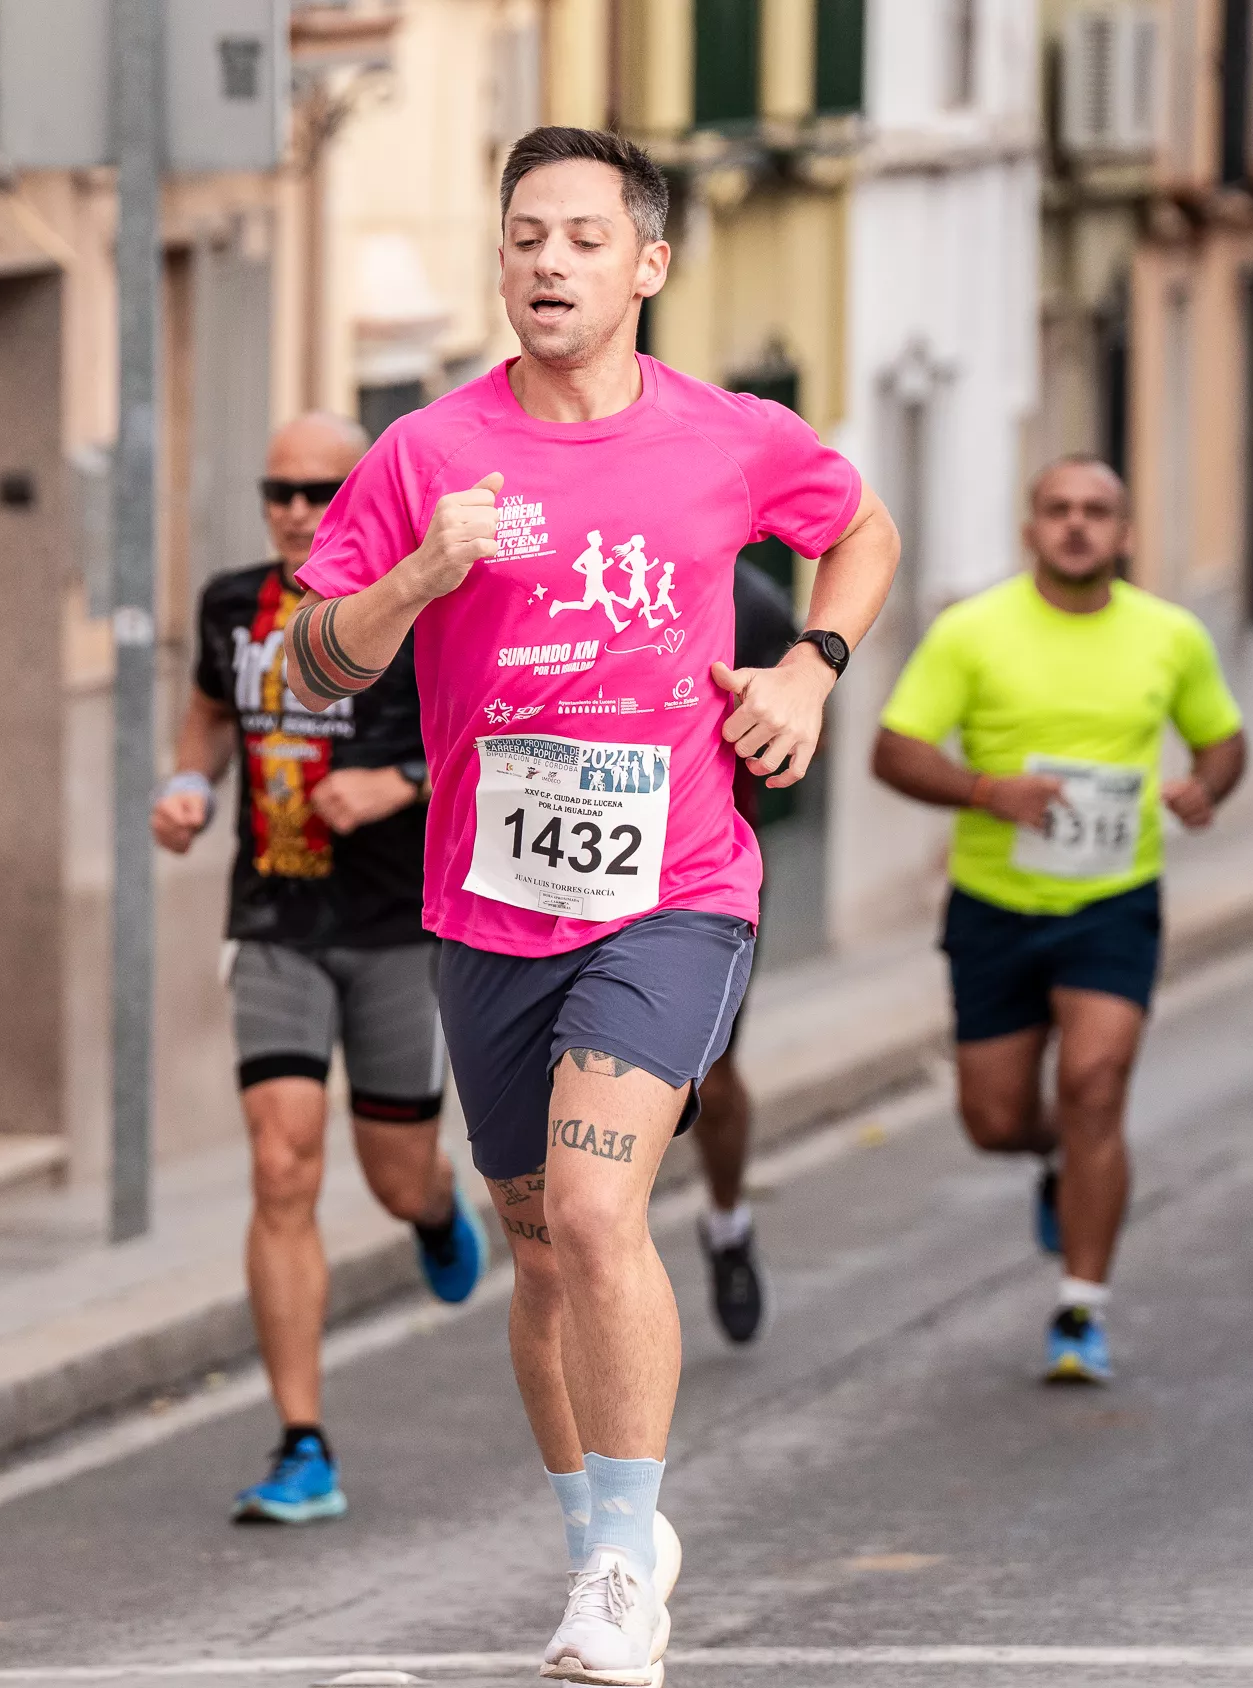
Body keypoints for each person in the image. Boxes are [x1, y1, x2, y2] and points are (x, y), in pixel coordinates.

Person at [280, 126, 900, 1687]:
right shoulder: (423, 455)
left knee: (605, 1202)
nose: (546, 263)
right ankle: (597, 1537)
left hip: (676, 889)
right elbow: (306, 668)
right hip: (487, 907)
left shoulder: (732, 436)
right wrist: (419, 577)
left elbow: (861, 531)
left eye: (578, 237)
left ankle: (625, 1566)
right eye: (522, 237)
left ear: (647, 266)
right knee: (541, 1242)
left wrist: (811, 672)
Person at [152, 411, 486, 1527]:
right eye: (277, 490)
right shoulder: (231, 605)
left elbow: (496, 724)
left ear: (364, 499)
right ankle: (302, 1439)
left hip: (400, 923)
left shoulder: (428, 596)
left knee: (395, 1175)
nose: (295, 511)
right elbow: (206, 710)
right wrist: (191, 784)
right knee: (280, 1160)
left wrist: (399, 781)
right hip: (278, 916)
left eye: (319, 492)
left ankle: (437, 1212)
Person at [871, 458, 1246, 1385]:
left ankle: (1081, 1309)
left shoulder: (1170, 635)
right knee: (995, 1120)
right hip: (994, 905)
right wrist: (987, 790)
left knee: (1095, 1084)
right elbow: (894, 749)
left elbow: (1224, 739)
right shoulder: (972, 632)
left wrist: (1208, 788)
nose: (1077, 526)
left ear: (1125, 533)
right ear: (1031, 528)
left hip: (1114, 900)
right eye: (1059, 511)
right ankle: (1058, 1162)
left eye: (1097, 512)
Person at [690, 557, 798, 1346]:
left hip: (703, 873)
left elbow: (790, 751)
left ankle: (727, 1225)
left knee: (712, 1078)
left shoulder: (753, 605)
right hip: (567, 870)